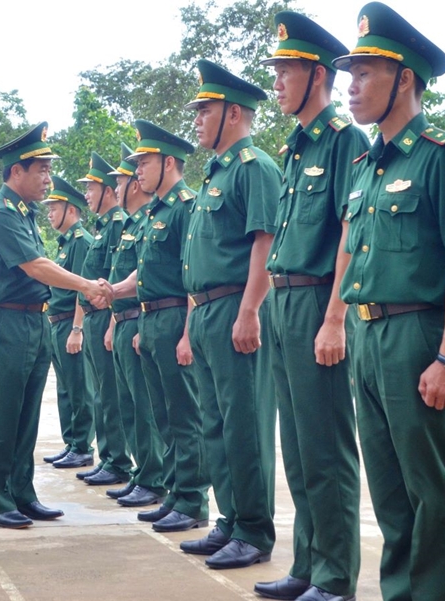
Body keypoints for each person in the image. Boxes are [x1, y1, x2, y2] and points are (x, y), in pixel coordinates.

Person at [333, 4, 445, 599]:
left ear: (405, 79)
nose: (351, 85)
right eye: (351, 72)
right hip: (370, 340)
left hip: (418, 339)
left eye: (366, 72)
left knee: (432, 491)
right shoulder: (369, 166)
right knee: (391, 493)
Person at [252, 13, 370, 601]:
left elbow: (351, 231)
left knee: (326, 447)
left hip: (317, 302)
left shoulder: (346, 140)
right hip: (282, 301)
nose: (275, 83)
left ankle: (336, 577)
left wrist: (334, 318)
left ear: (317, 75)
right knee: (296, 449)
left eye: (284, 72)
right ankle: (307, 565)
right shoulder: (296, 148)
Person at [0, 122, 111, 529]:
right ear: (17, 170)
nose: (48, 179)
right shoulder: (0, 213)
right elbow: (36, 266)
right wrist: (86, 285)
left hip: (31, 319)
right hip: (6, 321)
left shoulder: (23, 214)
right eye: (42, 170)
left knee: (27, 414)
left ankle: (21, 492)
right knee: (5, 414)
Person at [178, 60, 280, 569]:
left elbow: (265, 240)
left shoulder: (254, 167)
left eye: (205, 110)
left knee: (245, 426)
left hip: (235, 307)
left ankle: (255, 531)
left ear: (233, 113)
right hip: (206, 312)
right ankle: (231, 520)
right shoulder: (215, 174)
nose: (196, 119)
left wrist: (250, 311)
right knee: (215, 425)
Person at [109, 120, 210, 533]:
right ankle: (173, 493)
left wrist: (187, 333)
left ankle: (192, 499)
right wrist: (108, 291)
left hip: (174, 318)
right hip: (150, 318)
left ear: (169, 162)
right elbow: (142, 274)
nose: (138, 172)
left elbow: (191, 272)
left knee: (185, 415)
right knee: (163, 415)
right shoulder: (154, 212)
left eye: (145, 162)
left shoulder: (186, 206)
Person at [58, 152, 131, 487]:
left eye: (92, 187)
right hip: (92, 318)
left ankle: (117, 461)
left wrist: (113, 322)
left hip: (105, 317)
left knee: (110, 396)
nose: (86, 193)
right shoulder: (103, 229)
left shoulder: (118, 225)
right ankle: (108, 457)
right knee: (101, 394)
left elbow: (115, 278)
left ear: (109, 191)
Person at [105, 143, 166, 508]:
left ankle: (154, 477)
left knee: (148, 408)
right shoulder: (131, 225)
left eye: (121, 180)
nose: (116, 188)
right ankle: (145, 473)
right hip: (126, 318)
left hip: (145, 316)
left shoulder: (148, 220)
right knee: (129, 405)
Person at [41, 176, 96, 475]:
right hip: (56, 322)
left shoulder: (81, 242)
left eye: (55, 208)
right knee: (65, 388)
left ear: (71, 210)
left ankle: (83, 447)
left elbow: (82, 287)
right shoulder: (64, 244)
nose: (49, 213)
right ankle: (72, 442)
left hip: (70, 323)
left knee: (79, 387)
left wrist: (78, 329)